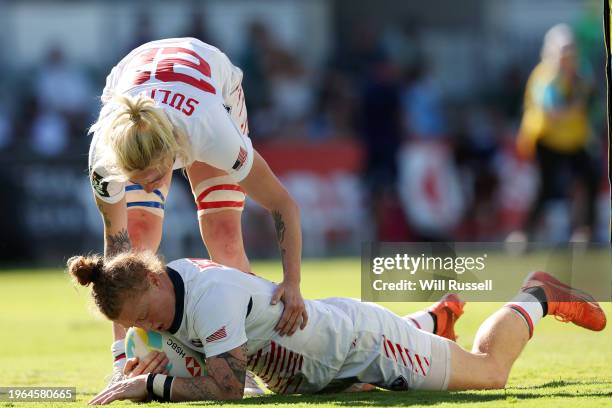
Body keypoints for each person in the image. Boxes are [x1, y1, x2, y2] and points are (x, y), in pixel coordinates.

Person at [66, 252, 606, 404]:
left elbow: (229, 388)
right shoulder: (162, 298)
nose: (148, 330)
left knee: (490, 377)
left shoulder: (211, 299)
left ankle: (536, 295)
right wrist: (154, 360)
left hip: (366, 345)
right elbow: (196, 362)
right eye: (135, 327)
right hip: (325, 366)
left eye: (145, 318)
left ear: (157, 282)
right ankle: (432, 320)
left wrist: (152, 386)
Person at [87, 38, 307, 384]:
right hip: (136, 74)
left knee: (224, 237)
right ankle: (134, 358)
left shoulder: (210, 131)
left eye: (155, 178)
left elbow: (283, 205)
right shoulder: (104, 158)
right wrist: (120, 361)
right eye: (136, 180)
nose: (148, 187)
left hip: (208, 85)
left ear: (174, 153)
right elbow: (116, 252)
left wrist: (292, 283)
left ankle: (250, 354)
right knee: (138, 236)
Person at [516, 24, 599, 241]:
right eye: (563, 50)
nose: (567, 56)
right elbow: (554, 111)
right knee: (547, 188)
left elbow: (590, 100)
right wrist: (577, 102)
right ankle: (524, 233)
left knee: (590, 179)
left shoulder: (581, 72)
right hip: (547, 139)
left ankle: (584, 231)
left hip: (573, 139)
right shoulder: (545, 76)